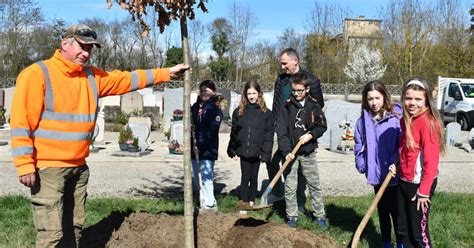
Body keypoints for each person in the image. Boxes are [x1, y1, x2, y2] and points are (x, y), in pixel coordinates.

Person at [9, 24, 188, 247]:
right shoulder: (37, 74)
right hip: (48, 168)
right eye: (82, 46)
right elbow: (20, 123)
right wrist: (25, 164)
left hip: (78, 168)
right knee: (51, 235)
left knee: (73, 230)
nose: (86, 53)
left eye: (90, 48)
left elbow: (126, 79)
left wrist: (166, 73)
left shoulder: (91, 77)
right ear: (65, 44)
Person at [268, 47, 325, 213]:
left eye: (285, 63)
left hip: (299, 132)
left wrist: (310, 134)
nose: (282, 67)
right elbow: (276, 103)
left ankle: (298, 203)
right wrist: (274, 125)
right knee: (271, 160)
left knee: (297, 170)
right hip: (280, 128)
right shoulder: (281, 80)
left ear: (295, 61)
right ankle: (278, 192)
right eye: (281, 63)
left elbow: (318, 107)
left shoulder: (311, 81)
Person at [354, 81, 403, 248]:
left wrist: (394, 162)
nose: (374, 103)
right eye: (370, 99)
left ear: (385, 97)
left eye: (377, 98)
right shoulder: (362, 122)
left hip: (394, 173)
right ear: (365, 100)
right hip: (377, 175)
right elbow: (359, 145)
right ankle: (386, 243)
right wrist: (362, 165)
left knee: (397, 213)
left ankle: (401, 243)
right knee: (382, 212)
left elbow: (401, 144)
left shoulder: (395, 118)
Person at [397, 77, 445, 247]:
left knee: (419, 233)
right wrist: (396, 163)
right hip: (403, 180)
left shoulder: (428, 123)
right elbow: (405, 149)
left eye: (418, 99)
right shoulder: (405, 119)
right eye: (408, 98)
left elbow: (431, 162)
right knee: (403, 229)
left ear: (426, 100)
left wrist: (424, 191)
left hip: (420, 185)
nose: (412, 103)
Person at [277, 72, 328, 228]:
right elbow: (281, 132)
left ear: (307, 89)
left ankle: (319, 215)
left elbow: (321, 126)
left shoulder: (314, 106)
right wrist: (286, 151)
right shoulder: (286, 107)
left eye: (300, 90)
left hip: (308, 153)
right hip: (291, 154)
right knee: (290, 186)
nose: (296, 94)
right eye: (294, 91)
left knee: (314, 185)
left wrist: (311, 135)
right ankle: (291, 215)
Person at [227, 81, 273, 214]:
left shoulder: (266, 113)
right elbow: (235, 132)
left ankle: (251, 201)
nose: (251, 96)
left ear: (259, 94)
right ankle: (244, 202)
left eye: (254, 93)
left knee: (254, 177)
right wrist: (232, 149)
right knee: (245, 176)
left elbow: (268, 135)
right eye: (249, 94)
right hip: (244, 151)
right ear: (245, 95)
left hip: (257, 151)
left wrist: (266, 153)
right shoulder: (239, 111)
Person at [191, 80, 224, 211]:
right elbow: (191, 124)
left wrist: (201, 144)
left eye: (207, 90)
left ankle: (209, 204)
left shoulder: (215, 108)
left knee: (206, 175)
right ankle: (202, 199)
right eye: (202, 90)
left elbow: (212, 129)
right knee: (196, 176)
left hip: (208, 148)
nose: (204, 92)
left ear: (213, 92)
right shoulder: (195, 106)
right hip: (194, 147)